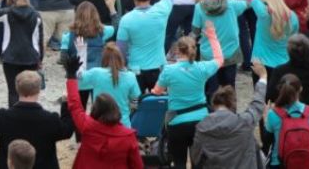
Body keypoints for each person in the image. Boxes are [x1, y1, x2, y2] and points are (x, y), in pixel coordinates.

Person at [152, 23, 223, 169]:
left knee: (179, 162)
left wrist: (159, 91)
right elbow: (219, 59)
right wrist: (212, 36)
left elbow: (157, 91)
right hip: (201, 120)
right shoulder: (202, 68)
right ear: (194, 51)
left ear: (177, 51)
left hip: (177, 122)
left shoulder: (168, 70)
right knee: (198, 163)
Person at [0, 70, 74, 169]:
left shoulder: (4, 117)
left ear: (17, 89)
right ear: (38, 90)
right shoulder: (50, 119)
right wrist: (66, 103)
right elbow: (67, 130)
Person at [62, 55, 143, 169]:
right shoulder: (128, 137)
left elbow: (75, 106)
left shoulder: (87, 126)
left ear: (95, 110)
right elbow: (137, 166)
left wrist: (71, 76)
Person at [190, 61, 268, 169]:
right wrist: (263, 77)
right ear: (233, 104)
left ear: (213, 103)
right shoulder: (244, 121)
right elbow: (257, 105)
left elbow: (196, 158)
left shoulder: (202, 127)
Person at [116, 0, 174, 92]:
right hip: (158, 68)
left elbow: (121, 49)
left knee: (136, 105)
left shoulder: (126, 20)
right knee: (159, 104)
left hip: (135, 70)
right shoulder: (161, 11)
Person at [0, 0, 43, 106]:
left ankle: (14, 118)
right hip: (31, 57)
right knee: (30, 90)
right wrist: (40, 58)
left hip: (11, 57)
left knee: (13, 91)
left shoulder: (7, 13)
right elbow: (39, 39)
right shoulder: (36, 15)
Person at [77, 43, 140, 127]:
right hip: (123, 124)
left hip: (99, 124)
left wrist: (81, 53)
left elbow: (78, 81)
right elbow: (135, 101)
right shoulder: (131, 76)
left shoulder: (96, 73)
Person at [265, 74, 309, 168]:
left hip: (279, 163)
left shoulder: (272, 114)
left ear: (280, 90)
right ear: (301, 89)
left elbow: (266, 141)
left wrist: (264, 117)